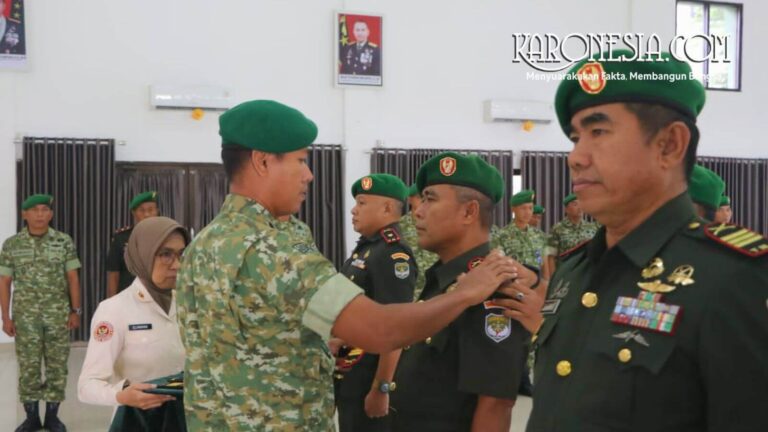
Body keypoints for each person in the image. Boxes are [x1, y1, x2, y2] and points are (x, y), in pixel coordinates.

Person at [175, 100, 532, 431]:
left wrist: (314, 341)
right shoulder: (273, 247)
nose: (309, 175)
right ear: (263, 162)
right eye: (300, 161)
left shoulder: (204, 243)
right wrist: (464, 294)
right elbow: (379, 329)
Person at [499, 49, 768, 431]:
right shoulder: (573, 270)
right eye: (575, 137)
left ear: (669, 145)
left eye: (598, 132)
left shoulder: (734, 278)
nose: (575, 157)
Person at [391, 152, 532, 432]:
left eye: (430, 199)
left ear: (469, 212)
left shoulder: (494, 290)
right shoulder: (444, 279)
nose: (417, 211)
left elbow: (494, 405)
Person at [78, 216, 189, 430]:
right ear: (143, 255)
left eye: (181, 254)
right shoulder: (114, 310)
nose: (176, 265)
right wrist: (121, 395)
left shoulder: (188, 304)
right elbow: (87, 386)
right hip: (138, 422)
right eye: (165, 254)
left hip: (184, 421)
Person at [335, 174, 416, 431]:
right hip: (351, 371)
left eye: (362, 203)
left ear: (387, 208)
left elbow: (397, 328)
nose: (354, 210)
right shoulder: (368, 248)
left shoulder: (392, 254)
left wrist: (381, 388)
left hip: (369, 377)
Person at [0, 194, 81, 432]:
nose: (40, 215)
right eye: (34, 210)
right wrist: (5, 317)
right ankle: (32, 417)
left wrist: (75, 310)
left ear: (51, 214)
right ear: (24, 214)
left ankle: (53, 417)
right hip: (26, 319)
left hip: (58, 316)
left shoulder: (63, 241)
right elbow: (4, 281)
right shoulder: (12, 244)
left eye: (45, 210)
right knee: (29, 367)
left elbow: (73, 278)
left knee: (57, 366)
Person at [106, 191, 159, 297]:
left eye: (150, 210)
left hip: (157, 297)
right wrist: (112, 302)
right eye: (142, 210)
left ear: (157, 211)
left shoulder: (165, 237)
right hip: (128, 297)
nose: (147, 214)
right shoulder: (121, 238)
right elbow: (113, 274)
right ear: (134, 213)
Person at [544, 193, 599, 278]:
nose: (579, 207)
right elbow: (551, 257)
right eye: (575, 204)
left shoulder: (592, 228)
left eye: (581, 204)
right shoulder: (558, 229)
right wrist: (554, 279)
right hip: (565, 274)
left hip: (586, 274)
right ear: (567, 209)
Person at [399, 183, 438, 299]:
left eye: (428, 199)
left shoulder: (438, 225)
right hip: (409, 291)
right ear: (410, 200)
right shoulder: (399, 226)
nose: (423, 202)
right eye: (419, 198)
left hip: (434, 290)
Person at [497, 190, 547, 271]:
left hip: (537, 277)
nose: (527, 212)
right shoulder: (502, 235)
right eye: (523, 208)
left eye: (530, 208)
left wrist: (546, 278)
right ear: (513, 209)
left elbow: (542, 260)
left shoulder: (539, 235)